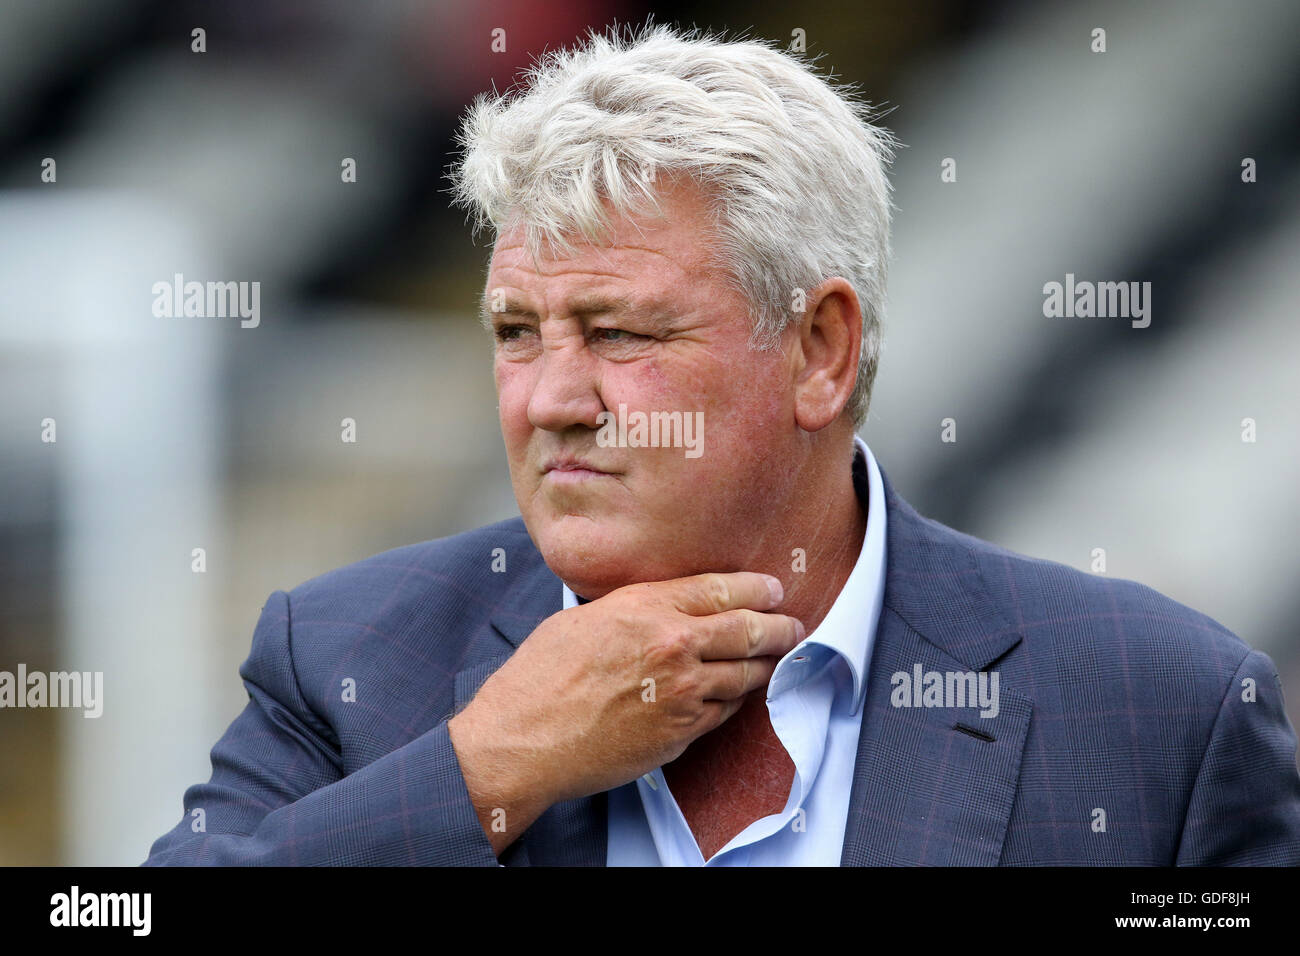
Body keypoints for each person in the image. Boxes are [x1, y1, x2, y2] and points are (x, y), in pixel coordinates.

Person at [144, 24, 1300, 866]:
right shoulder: (348, 659)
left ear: (820, 351)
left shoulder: (1159, 709)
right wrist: (487, 768)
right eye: (513, 332)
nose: (550, 396)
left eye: (617, 331)